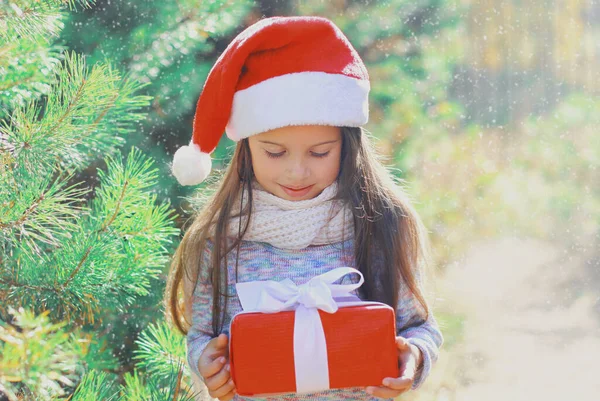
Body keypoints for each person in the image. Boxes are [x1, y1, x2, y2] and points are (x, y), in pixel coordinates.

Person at [165, 15, 444, 401]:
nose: (297, 171)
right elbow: (200, 336)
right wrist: (205, 362)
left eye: (320, 152)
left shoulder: (380, 225)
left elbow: (420, 328)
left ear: (347, 145)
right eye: (274, 152)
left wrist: (412, 356)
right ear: (245, 147)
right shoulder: (220, 237)